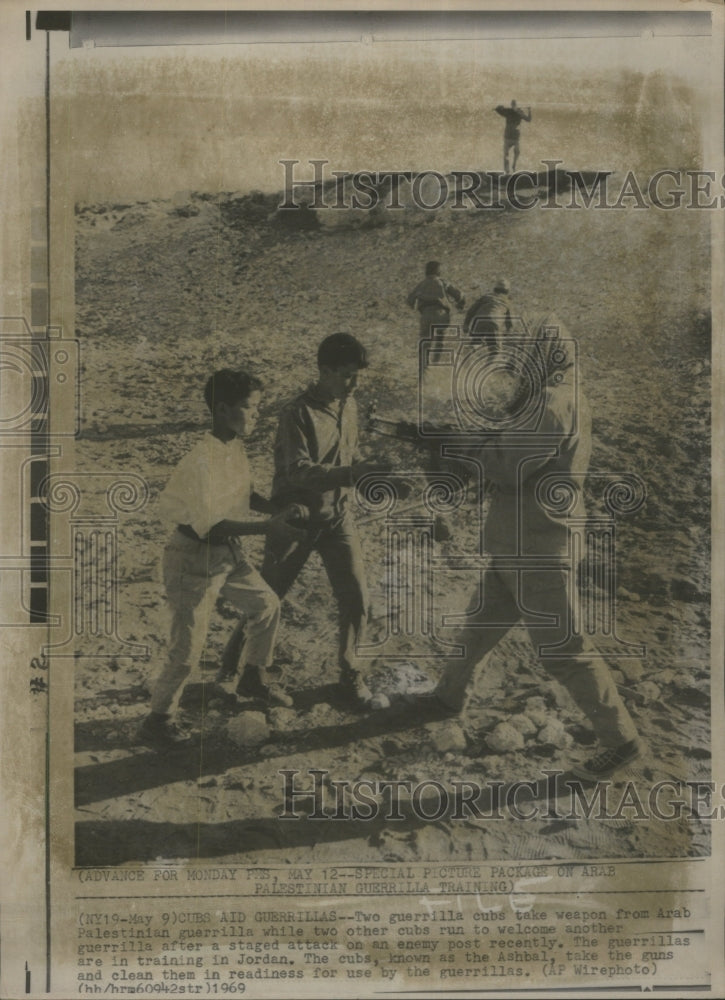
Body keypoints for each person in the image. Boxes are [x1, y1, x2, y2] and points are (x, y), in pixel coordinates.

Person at [425, 330, 643, 780]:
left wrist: (460, 445)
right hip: (518, 541)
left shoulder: (552, 402)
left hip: (538, 547)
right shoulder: (561, 397)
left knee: (566, 651)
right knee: (480, 623)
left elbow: (508, 466)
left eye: (529, 357)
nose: (520, 366)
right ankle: (448, 696)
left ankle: (621, 741)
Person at [138, 369, 303, 749]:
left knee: (265, 605)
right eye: (251, 407)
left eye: (259, 407)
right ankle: (157, 720)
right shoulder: (202, 460)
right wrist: (268, 529)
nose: (257, 415)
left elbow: (244, 496)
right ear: (224, 408)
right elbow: (206, 528)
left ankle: (252, 676)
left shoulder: (233, 447)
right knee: (187, 651)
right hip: (192, 559)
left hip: (226, 553)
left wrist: (277, 507)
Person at [241, 333, 391, 711]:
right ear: (323, 371)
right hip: (295, 519)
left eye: (356, 376)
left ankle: (350, 675)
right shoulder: (297, 413)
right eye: (344, 375)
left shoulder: (349, 405)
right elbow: (297, 471)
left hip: (337, 518)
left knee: (356, 597)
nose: (352, 383)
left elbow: (349, 457)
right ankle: (241, 672)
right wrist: (353, 474)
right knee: (267, 599)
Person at [407, 261, 465, 359]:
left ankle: (425, 365)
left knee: (425, 340)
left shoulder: (422, 284)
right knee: (440, 337)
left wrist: (414, 307)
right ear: (439, 271)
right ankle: (436, 361)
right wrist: (460, 305)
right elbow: (459, 295)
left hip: (426, 314)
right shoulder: (443, 282)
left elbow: (410, 300)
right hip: (441, 314)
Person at [463, 277, 514, 352]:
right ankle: (492, 362)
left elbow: (471, 311)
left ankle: (471, 350)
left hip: (479, 322)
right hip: (494, 323)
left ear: (495, 288)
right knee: (496, 351)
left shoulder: (486, 297)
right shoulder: (507, 302)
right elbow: (510, 323)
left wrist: (466, 324)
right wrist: (507, 333)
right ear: (507, 291)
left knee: (476, 343)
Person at [495, 100, 532, 173]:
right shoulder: (508, 112)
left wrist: (529, 111)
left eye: (514, 105)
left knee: (517, 152)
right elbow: (497, 110)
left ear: (516, 106)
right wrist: (500, 107)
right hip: (507, 137)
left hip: (515, 137)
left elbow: (528, 119)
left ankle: (514, 165)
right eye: (512, 105)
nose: (513, 107)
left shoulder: (520, 112)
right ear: (511, 105)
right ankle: (507, 170)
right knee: (506, 154)